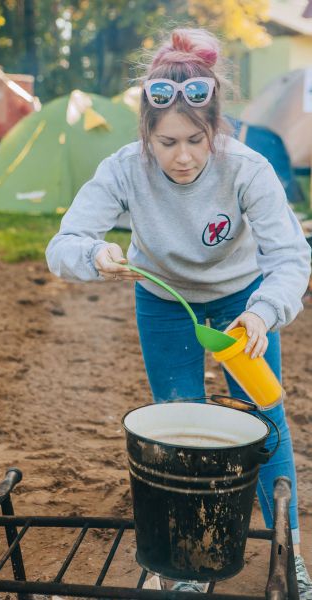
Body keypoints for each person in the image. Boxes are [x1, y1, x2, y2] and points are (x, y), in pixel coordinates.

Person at [46, 27, 312, 596]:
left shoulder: (247, 167)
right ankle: (187, 567)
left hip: (244, 304)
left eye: (195, 139)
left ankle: (289, 554)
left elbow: (290, 256)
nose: (183, 157)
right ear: (146, 133)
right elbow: (62, 245)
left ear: (215, 127)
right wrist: (94, 253)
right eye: (167, 143)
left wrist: (263, 313)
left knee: (263, 420)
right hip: (165, 302)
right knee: (180, 419)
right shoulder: (123, 167)